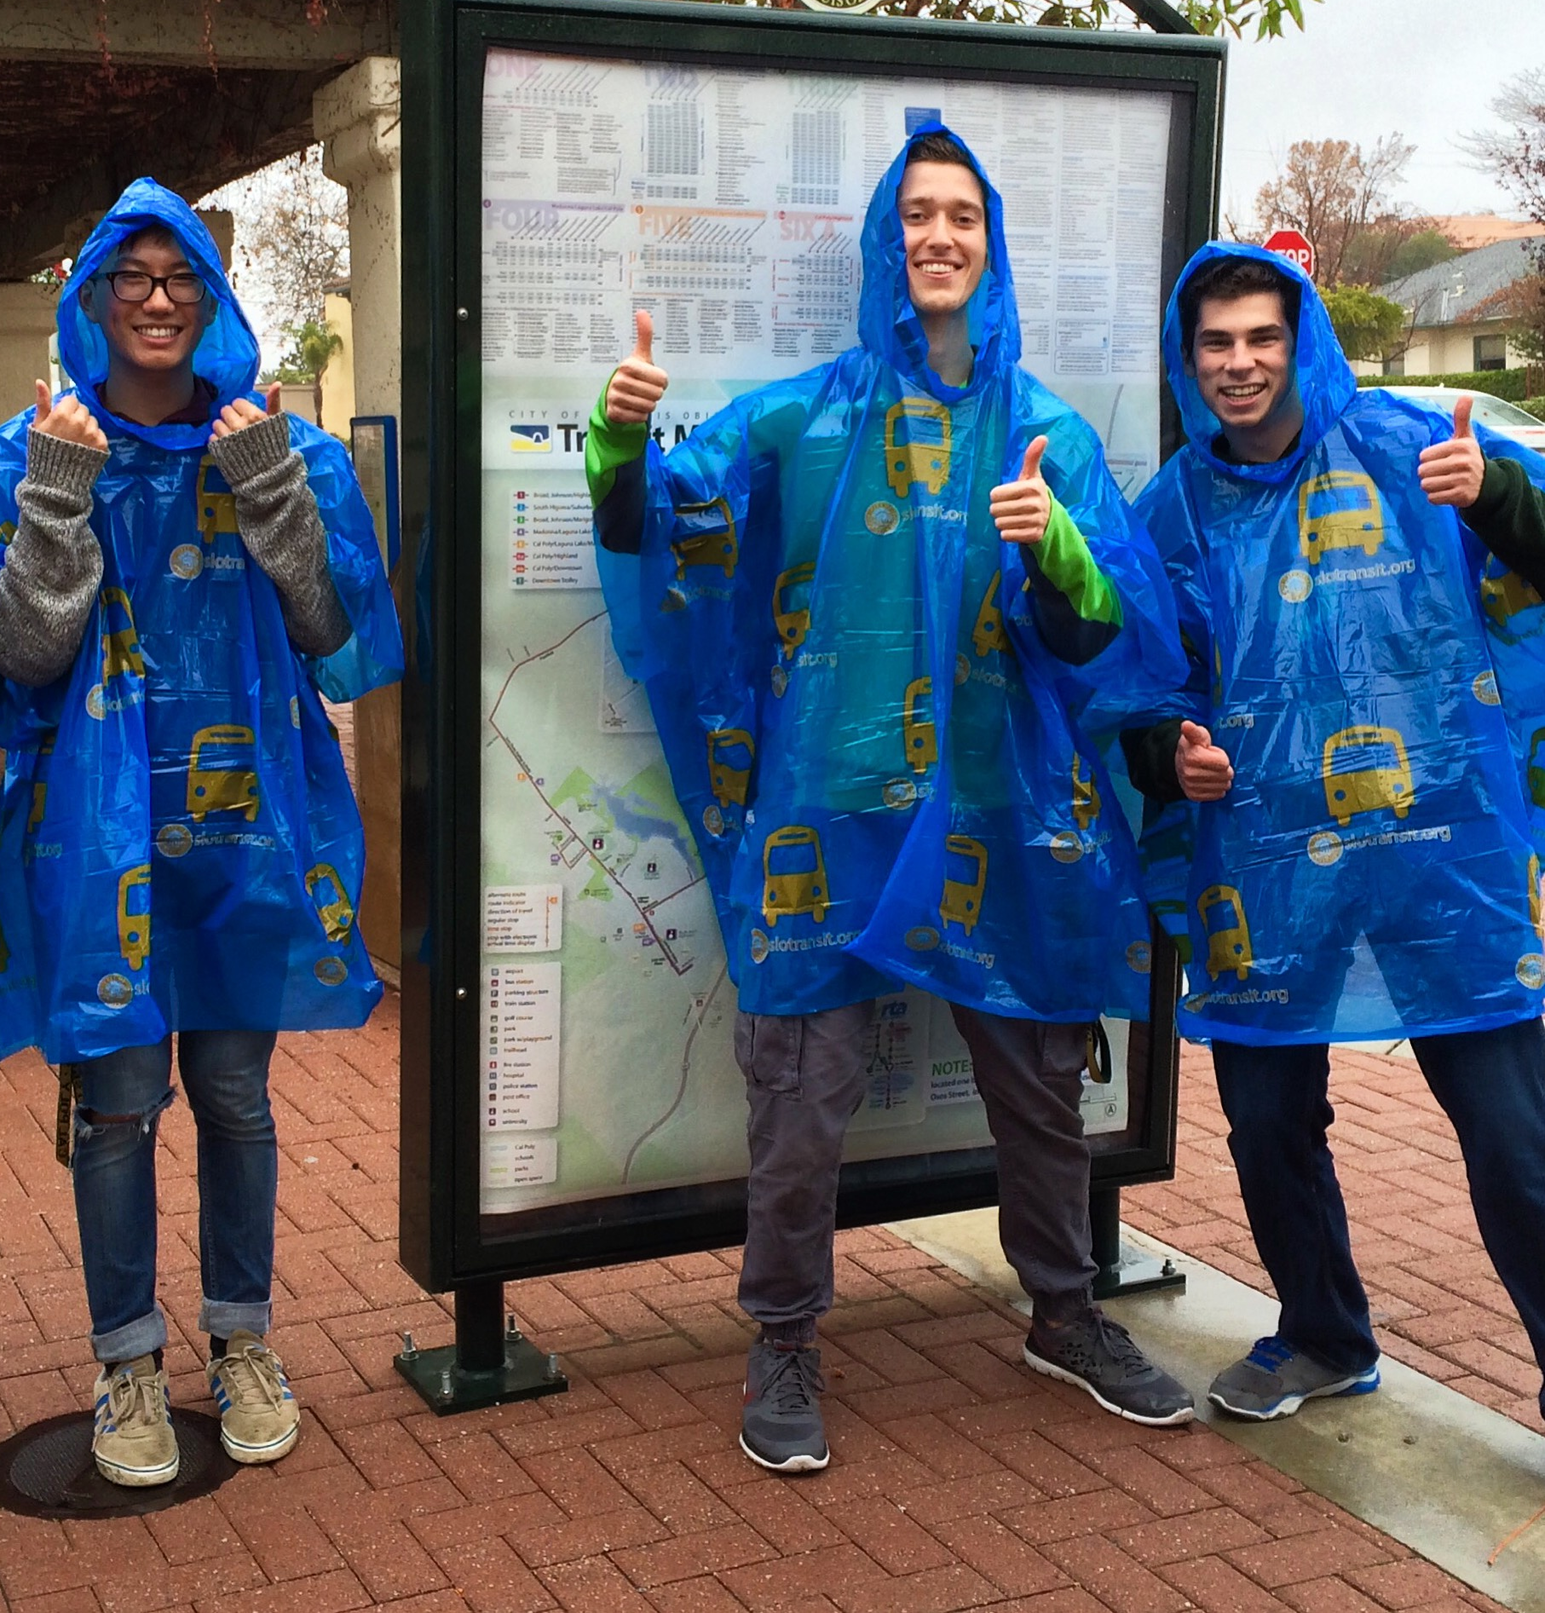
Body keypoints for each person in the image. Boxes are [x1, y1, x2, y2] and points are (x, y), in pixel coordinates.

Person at [589, 124, 1193, 1473]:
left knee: (1041, 1080)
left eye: (961, 216)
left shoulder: (1046, 432)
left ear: (992, 244)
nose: (938, 237)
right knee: (802, 1097)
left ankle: (1063, 1310)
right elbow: (659, 528)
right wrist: (617, 444)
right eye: (916, 215)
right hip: (827, 811)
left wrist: (1065, 557)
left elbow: (1105, 643)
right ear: (885, 241)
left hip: (1003, 805)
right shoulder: (805, 418)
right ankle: (786, 1338)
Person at [0, 180, 402, 1486]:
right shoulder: (27, 453)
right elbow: (19, 661)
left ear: (210, 299)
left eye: (180, 278)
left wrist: (266, 493)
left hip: (245, 828)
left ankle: (244, 1342)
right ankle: (128, 1362)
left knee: (237, 1097)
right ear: (93, 300)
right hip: (99, 838)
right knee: (117, 1105)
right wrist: (58, 498)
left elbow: (333, 637)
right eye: (131, 277)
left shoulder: (284, 446)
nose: (156, 299)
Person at [1125, 245, 1545, 1424]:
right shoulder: (1173, 509)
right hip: (1265, 868)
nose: (1241, 363)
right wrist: (1172, 754)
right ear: (1189, 358)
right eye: (1217, 344)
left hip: (1439, 853)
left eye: (1262, 337)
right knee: (1265, 1122)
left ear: (1299, 336)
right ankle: (1320, 1333)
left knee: (1515, 1135)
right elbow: (1139, 687)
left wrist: (1499, 499)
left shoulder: (1421, 449)